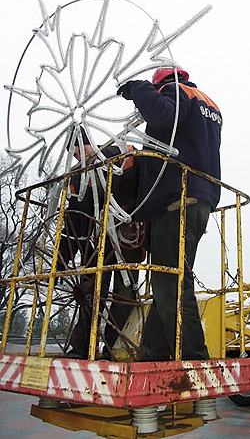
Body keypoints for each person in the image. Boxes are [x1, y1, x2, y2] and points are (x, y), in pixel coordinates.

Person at [117, 66, 222, 361]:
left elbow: (162, 115)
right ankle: (154, 354)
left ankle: (194, 359)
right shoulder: (208, 103)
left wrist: (138, 89)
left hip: (178, 199)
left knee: (171, 280)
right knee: (169, 278)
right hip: (201, 199)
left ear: (161, 83)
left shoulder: (176, 92)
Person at [58, 127, 144, 360]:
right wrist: (61, 261)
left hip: (128, 236)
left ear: (92, 143)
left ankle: (113, 350)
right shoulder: (77, 176)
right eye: (74, 154)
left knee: (125, 295)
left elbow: (147, 183)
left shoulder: (124, 154)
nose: (79, 156)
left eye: (81, 149)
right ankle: (81, 349)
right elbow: (73, 220)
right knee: (89, 293)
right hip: (94, 243)